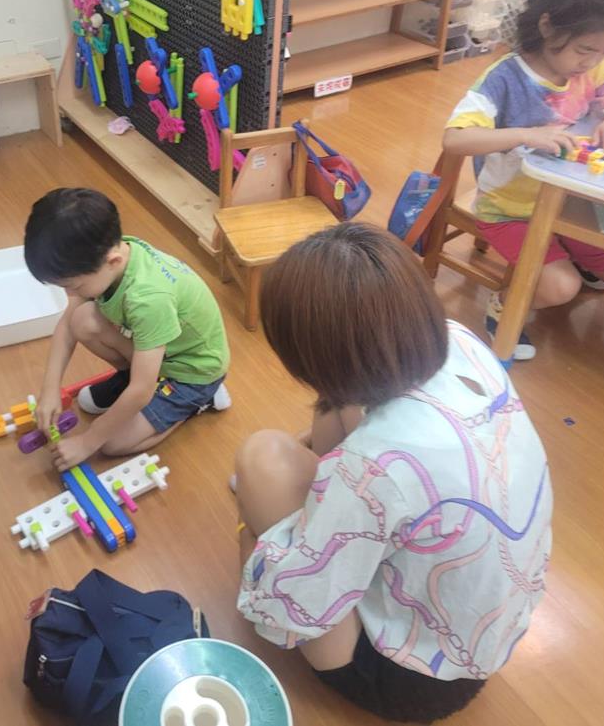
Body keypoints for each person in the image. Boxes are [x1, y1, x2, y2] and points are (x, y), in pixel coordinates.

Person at [235, 223, 552, 723]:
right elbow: (348, 410)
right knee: (333, 414)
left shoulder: (375, 466)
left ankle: (297, 526)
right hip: (484, 639)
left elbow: (291, 608)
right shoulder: (460, 340)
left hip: (410, 682)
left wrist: (257, 546)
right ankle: (326, 517)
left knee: (262, 457)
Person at [443, 0, 604, 360]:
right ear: (548, 25)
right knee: (561, 288)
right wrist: (528, 135)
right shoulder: (505, 79)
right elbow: (454, 140)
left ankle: (562, 259)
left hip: (569, 201)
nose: (592, 62)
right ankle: (504, 304)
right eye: (585, 50)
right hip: (508, 209)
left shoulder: (596, 63)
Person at [24, 188, 230, 471]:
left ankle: (199, 402)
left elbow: (142, 390)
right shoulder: (111, 253)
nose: (70, 294)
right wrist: (50, 390)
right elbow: (67, 326)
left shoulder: (148, 300)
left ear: (113, 262)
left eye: (74, 286)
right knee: (81, 319)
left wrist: (87, 441)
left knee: (111, 444)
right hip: (161, 354)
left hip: (194, 373)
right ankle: (132, 379)